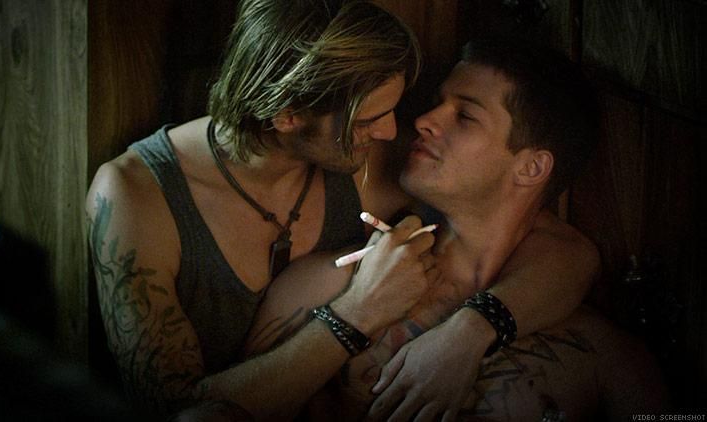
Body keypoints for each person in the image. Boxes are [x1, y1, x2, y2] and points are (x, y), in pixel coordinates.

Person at [86, 0, 595, 418]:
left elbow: (566, 250)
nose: (392, 131)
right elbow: (177, 413)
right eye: (368, 120)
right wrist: (356, 313)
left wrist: (469, 333)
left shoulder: (371, 161)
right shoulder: (135, 196)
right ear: (288, 115)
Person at [245, 37, 665, 420]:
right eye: (436, 103)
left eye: (465, 115)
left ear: (531, 167)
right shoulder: (323, 287)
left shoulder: (599, 350)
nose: (425, 120)